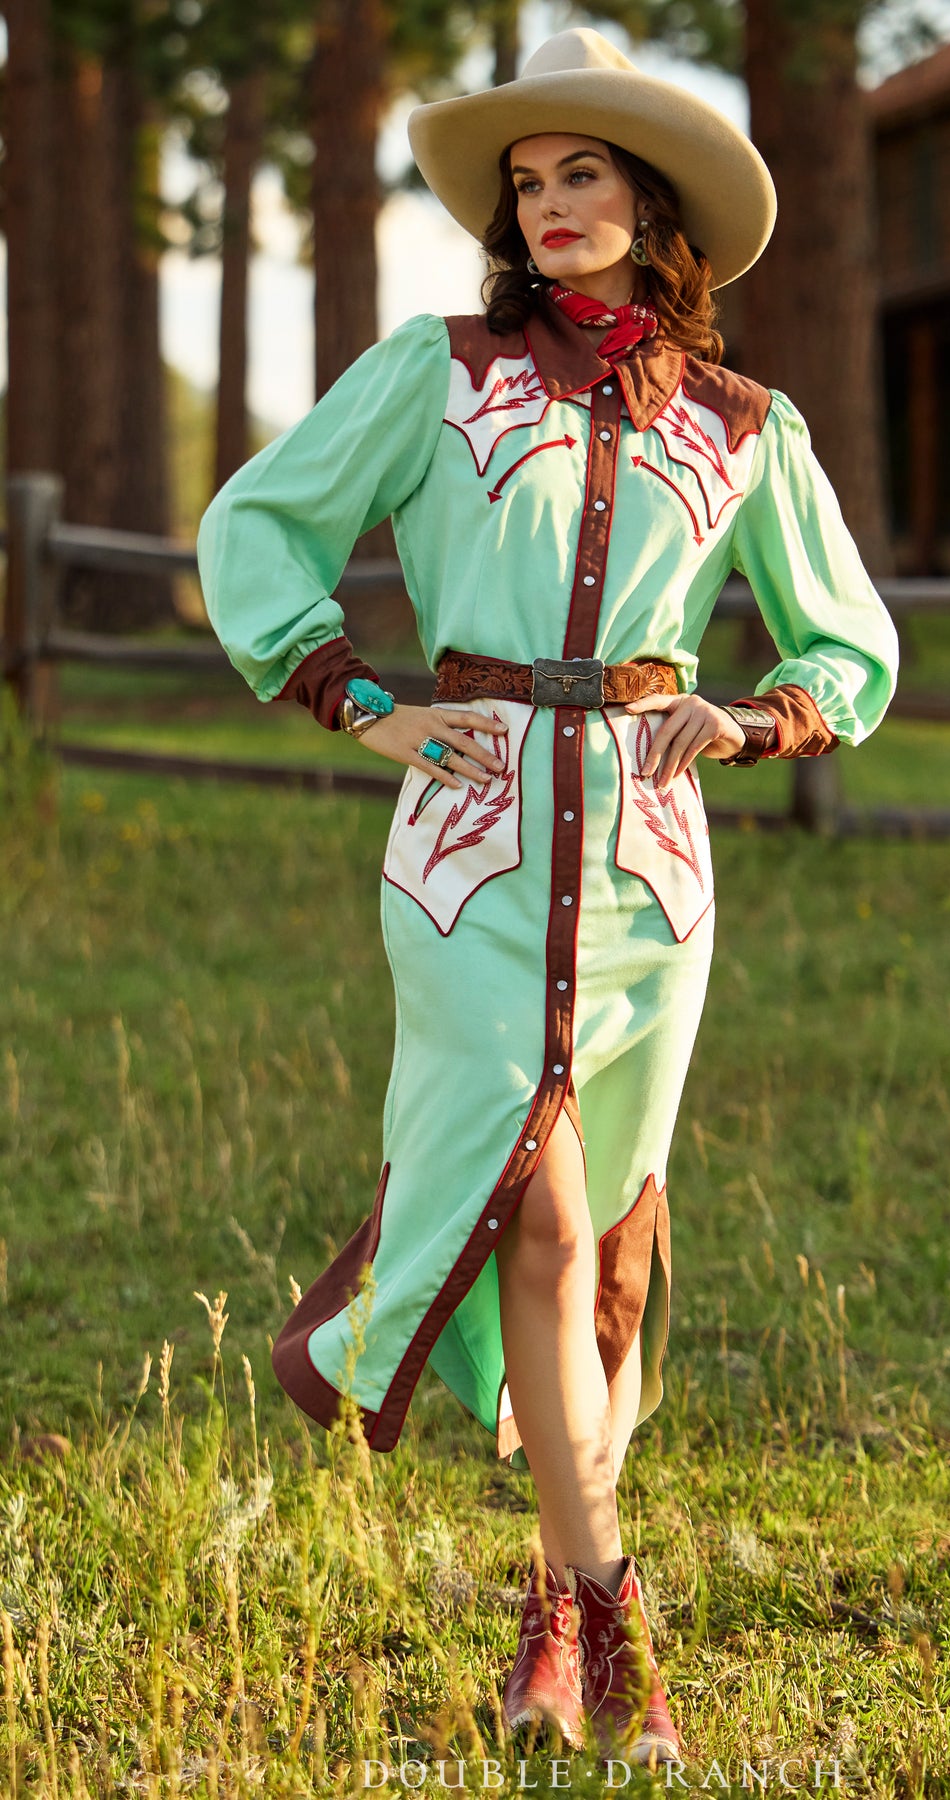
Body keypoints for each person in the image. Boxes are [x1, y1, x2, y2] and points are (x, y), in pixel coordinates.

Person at [197, 26, 898, 1769]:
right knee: (541, 1215)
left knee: (597, 1252)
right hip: (468, 861)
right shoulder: (430, 374)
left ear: (651, 205)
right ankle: (619, 1632)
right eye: (530, 180)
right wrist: (360, 700)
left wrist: (748, 714)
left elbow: (851, 640)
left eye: (585, 174)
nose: (552, 203)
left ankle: (552, 1629)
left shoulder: (748, 429)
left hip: (651, 884)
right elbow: (257, 528)